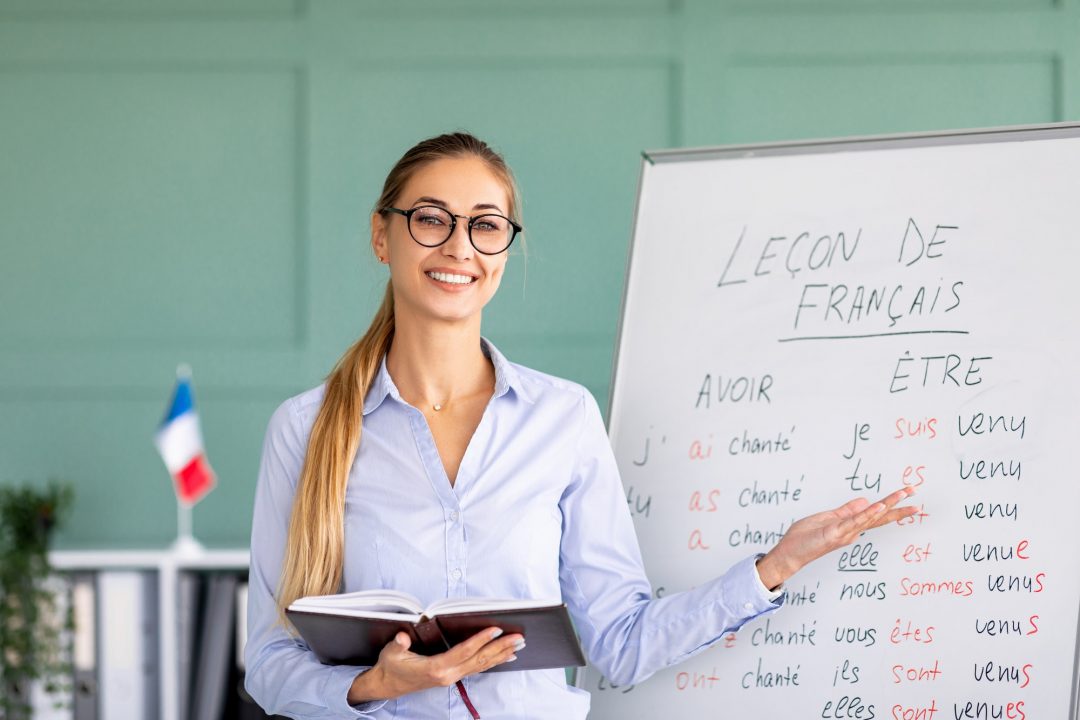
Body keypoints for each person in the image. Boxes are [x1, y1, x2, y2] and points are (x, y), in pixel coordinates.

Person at [244, 132, 916, 719]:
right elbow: (270, 662)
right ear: (380, 234)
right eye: (430, 219)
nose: (459, 246)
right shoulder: (304, 429)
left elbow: (619, 645)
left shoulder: (561, 418)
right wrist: (372, 685)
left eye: (485, 224)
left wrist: (775, 566)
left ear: (505, 248)